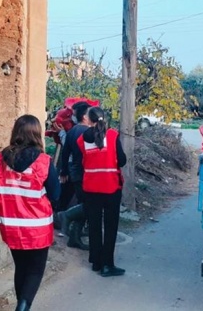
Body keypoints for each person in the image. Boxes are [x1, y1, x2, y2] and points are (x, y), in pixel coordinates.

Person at [0, 114, 60, 311]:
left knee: (21, 268)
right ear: (37, 134)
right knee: (35, 270)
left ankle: (22, 305)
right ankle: (23, 306)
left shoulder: (0, 159)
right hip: (37, 227)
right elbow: (55, 194)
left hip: (11, 225)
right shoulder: (44, 161)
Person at [77, 107, 127, 277]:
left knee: (94, 225)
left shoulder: (81, 139)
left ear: (88, 120)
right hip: (111, 187)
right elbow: (122, 160)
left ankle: (96, 262)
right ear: (103, 118)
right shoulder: (112, 135)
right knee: (111, 226)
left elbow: (82, 161)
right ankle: (108, 264)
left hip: (90, 188)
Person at [56, 102, 92, 250]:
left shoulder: (72, 131)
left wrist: (64, 171)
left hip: (74, 171)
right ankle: (65, 217)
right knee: (87, 204)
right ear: (85, 116)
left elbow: (65, 153)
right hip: (86, 171)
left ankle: (74, 236)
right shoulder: (88, 132)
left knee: (83, 202)